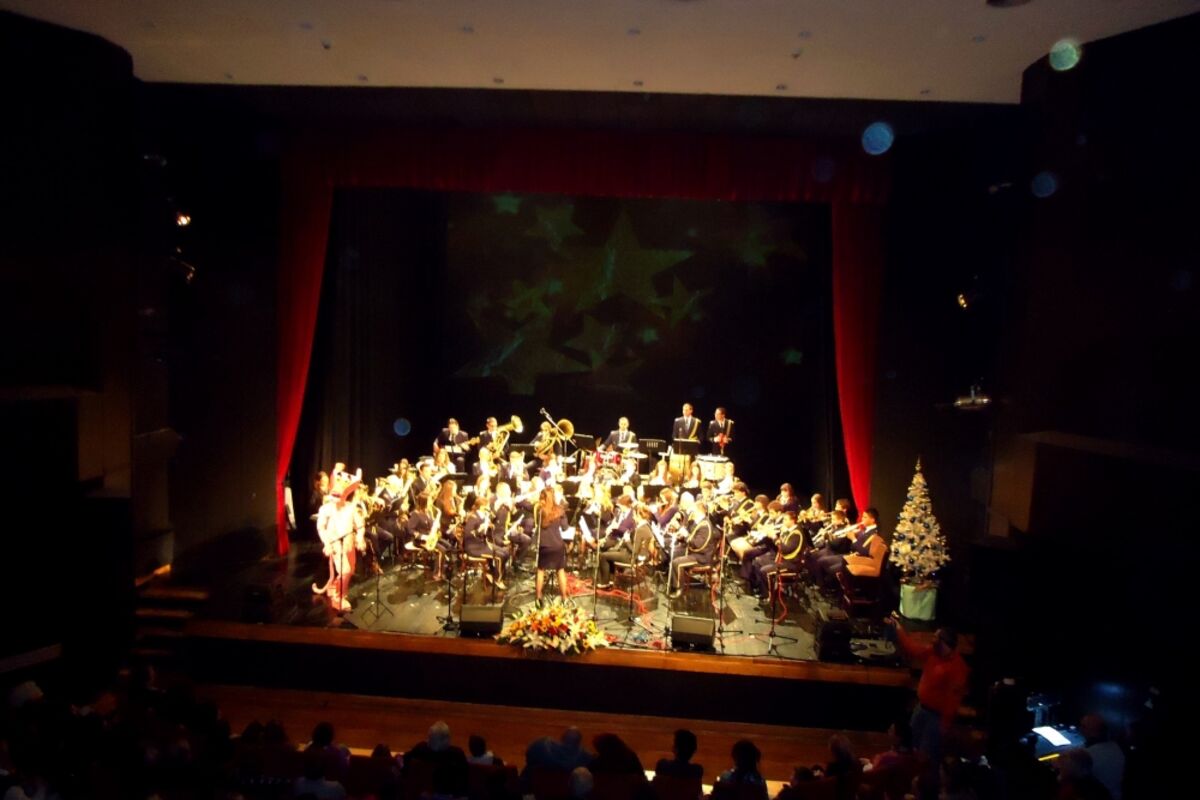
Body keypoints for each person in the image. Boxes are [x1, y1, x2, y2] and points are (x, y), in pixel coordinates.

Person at [883, 616, 970, 768]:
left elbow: (953, 699)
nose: (932, 640)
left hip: (936, 718)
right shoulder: (933, 652)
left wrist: (944, 725)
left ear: (944, 641)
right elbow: (912, 648)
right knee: (910, 746)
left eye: (936, 638)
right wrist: (898, 628)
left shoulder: (958, 667)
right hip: (921, 709)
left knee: (926, 756)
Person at [314, 468, 366, 612]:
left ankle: (335, 586)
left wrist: (360, 538)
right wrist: (326, 543)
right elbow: (321, 527)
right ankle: (339, 597)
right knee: (346, 571)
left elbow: (360, 525)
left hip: (349, 543)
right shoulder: (326, 509)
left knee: (350, 570)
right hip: (336, 543)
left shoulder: (351, 507)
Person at [404, 721, 468, 798]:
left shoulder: (421, 749)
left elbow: (405, 761)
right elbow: (465, 781)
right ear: (446, 739)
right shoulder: (456, 754)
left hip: (422, 795)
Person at [463, 494, 507, 589]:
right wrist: (480, 530)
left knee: (505, 553)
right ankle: (497, 579)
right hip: (474, 547)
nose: (489, 508)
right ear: (482, 507)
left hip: (482, 544)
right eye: (487, 506)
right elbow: (469, 534)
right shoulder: (473, 518)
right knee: (500, 556)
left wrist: (488, 526)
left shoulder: (482, 516)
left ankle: (493, 573)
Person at [536, 486, 569, 604]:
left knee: (540, 570)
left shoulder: (540, 510)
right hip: (557, 545)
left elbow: (538, 525)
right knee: (560, 570)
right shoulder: (560, 510)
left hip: (544, 545)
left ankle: (538, 597)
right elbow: (565, 528)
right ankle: (564, 598)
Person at [1081, 714, 1124, 800]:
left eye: (1083, 726)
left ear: (1087, 730)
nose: (1081, 729)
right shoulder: (1117, 747)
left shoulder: (1087, 754)